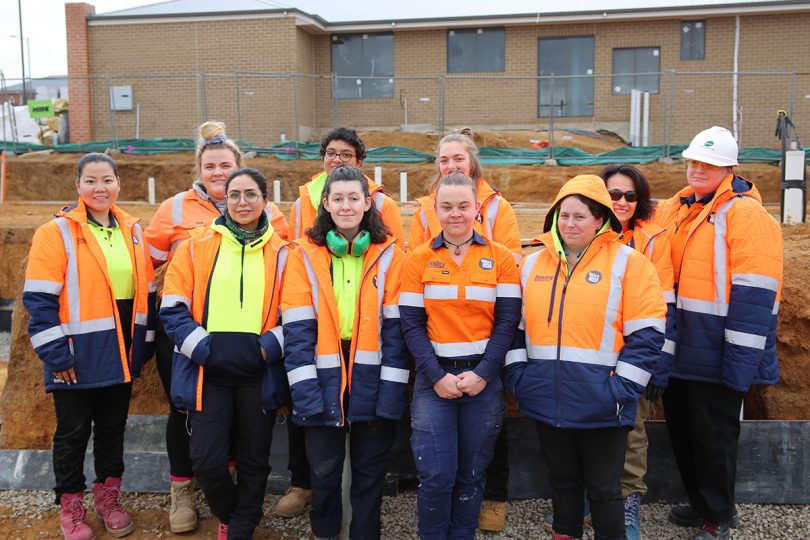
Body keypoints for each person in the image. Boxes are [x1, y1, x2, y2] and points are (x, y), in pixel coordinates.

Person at [144, 120, 287, 533]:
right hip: (196, 348)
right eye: (210, 166)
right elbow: (147, 266)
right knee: (194, 434)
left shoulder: (276, 228)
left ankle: (239, 520)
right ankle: (188, 494)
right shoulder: (180, 219)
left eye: (226, 166)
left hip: (255, 358)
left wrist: (265, 348)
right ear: (200, 169)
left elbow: (291, 295)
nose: (220, 175)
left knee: (251, 447)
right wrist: (194, 344)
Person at [505, 174, 666, 540]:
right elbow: (513, 329)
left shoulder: (630, 264)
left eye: (580, 216)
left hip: (603, 406)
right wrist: (519, 379)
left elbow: (647, 335)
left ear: (600, 220)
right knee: (562, 486)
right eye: (564, 216)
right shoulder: (531, 266)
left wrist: (620, 389)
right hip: (547, 399)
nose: (569, 224)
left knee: (606, 492)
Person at [654, 126, 783, 540]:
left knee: (715, 438)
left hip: (718, 349)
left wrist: (740, 363)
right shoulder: (679, 208)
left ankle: (719, 516)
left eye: (707, 164)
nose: (697, 169)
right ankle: (699, 503)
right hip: (681, 346)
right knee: (685, 432)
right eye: (693, 161)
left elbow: (754, 293)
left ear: (728, 168)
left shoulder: (745, 214)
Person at [23, 152, 156, 540]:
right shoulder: (57, 232)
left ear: (118, 183)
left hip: (120, 353)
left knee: (112, 429)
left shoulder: (132, 230)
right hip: (75, 355)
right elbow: (39, 299)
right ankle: (70, 504)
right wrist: (54, 353)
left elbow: (144, 292)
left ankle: (109, 499)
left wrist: (142, 346)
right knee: (73, 432)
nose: (100, 188)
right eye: (91, 181)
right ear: (78, 186)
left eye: (107, 180)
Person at [278, 126, 404, 519]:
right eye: (338, 199)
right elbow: (297, 332)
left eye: (354, 198)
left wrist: (391, 394)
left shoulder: (392, 256)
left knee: (369, 476)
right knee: (325, 474)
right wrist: (306, 393)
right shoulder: (302, 255)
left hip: (373, 376)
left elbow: (397, 335)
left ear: (368, 203)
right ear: (326, 205)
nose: (346, 206)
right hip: (321, 374)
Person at [408, 127, 522, 532]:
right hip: (433, 380)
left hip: (482, 380)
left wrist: (483, 374)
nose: (455, 214)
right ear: (434, 210)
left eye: (463, 206)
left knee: (472, 477)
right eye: (446, 207)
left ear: (477, 208)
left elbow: (507, 322)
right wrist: (437, 377)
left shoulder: (502, 259)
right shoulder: (417, 260)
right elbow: (412, 325)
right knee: (436, 477)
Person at [601, 164, 676, 540]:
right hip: (591, 354)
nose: (622, 202)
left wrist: (659, 363)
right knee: (589, 430)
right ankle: (595, 497)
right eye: (614, 194)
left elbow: (665, 306)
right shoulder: (582, 230)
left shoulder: (652, 240)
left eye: (630, 196)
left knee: (632, 430)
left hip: (635, 356)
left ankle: (628, 501)